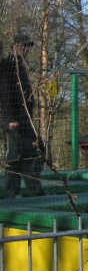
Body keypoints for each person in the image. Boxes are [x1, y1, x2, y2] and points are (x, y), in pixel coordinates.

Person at [0, 34, 44, 199]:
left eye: (28, 47)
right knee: (16, 155)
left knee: (32, 151)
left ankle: (34, 191)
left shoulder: (20, 65)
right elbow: (6, 92)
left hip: (24, 118)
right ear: (15, 45)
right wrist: (10, 117)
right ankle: (12, 193)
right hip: (14, 118)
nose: (26, 50)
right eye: (23, 46)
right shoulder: (8, 65)